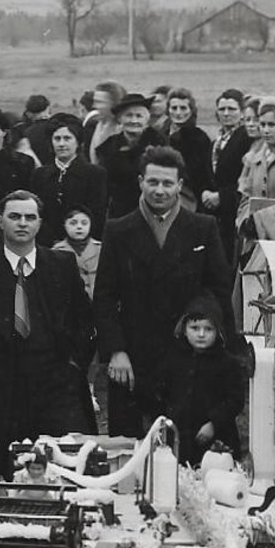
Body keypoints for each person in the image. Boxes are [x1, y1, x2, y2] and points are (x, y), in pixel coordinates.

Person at [0, 191, 95, 478]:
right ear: (0, 222)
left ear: (40, 223)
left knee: (59, 467)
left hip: (54, 385)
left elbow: (85, 322)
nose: (22, 223)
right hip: (0, 389)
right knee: (2, 470)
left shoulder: (61, 265)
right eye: (14, 216)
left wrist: (73, 364)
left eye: (30, 217)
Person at [95, 147, 232, 438]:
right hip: (133, 355)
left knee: (183, 447)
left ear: (180, 186)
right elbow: (105, 296)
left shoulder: (202, 228)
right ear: (141, 181)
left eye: (168, 183)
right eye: (153, 182)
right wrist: (116, 350)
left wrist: (208, 342)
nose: (160, 190)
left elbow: (219, 288)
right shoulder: (118, 230)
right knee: (128, 443)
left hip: (186, 353)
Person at [150, 292, 251, 466]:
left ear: (218, 331)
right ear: (184, 328)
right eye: (195, 328)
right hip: (181, 438)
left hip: (217, 438)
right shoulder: (173, 360)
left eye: (208, 329)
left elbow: (235, 400)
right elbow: (161, 393)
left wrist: (214, 422)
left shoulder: (227, 363)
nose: (201, 334)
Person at [30, 113, 107, 246]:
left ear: (77, 142)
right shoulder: (40, 174)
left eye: (67, 138)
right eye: (57, 139)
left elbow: (98, 214)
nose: (61, 144)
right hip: (47, 245)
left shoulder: (95, 174)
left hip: (83, 245)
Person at [97, 93, 157, 219]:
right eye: (128, 115)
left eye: (139, 116)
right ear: (120, 119)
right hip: (119, 213)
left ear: (147, 119)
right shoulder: (108, 147)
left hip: (151, 211)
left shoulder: (159, 143)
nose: (134, 120)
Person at [210, 88, 251, 261]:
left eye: (232, 109)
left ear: (242, 113)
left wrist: (222, 196)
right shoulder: (216, 141)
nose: (226, 114)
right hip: (216, 212)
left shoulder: (246, 138)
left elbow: (247, 178)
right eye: (222, 109)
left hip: (234, 208)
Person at [164, 87, 213, 213]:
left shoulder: (199, 138)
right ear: (168, 110)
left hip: (189, 196)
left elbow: (202, 174)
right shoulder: (160, 134)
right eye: (174, 108)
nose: (178, 113)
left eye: (183, 108)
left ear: (191, 111)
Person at [53, 205, 103, 300]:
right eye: (73, 223)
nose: (79, 227)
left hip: (97, 302)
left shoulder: (101, 249)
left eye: (84, 223)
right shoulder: (57, 251)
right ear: (64, 225)